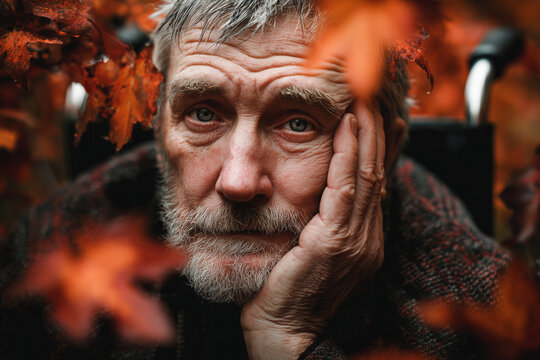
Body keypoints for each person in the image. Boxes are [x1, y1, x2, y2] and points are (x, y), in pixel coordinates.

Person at [0, 0, 509, 359]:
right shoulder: (53, 249)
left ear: (384, 150)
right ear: (158, 130)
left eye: (297, 123)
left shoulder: (470, 307)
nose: (238, 182)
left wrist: (287, 339)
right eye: (203, 114)